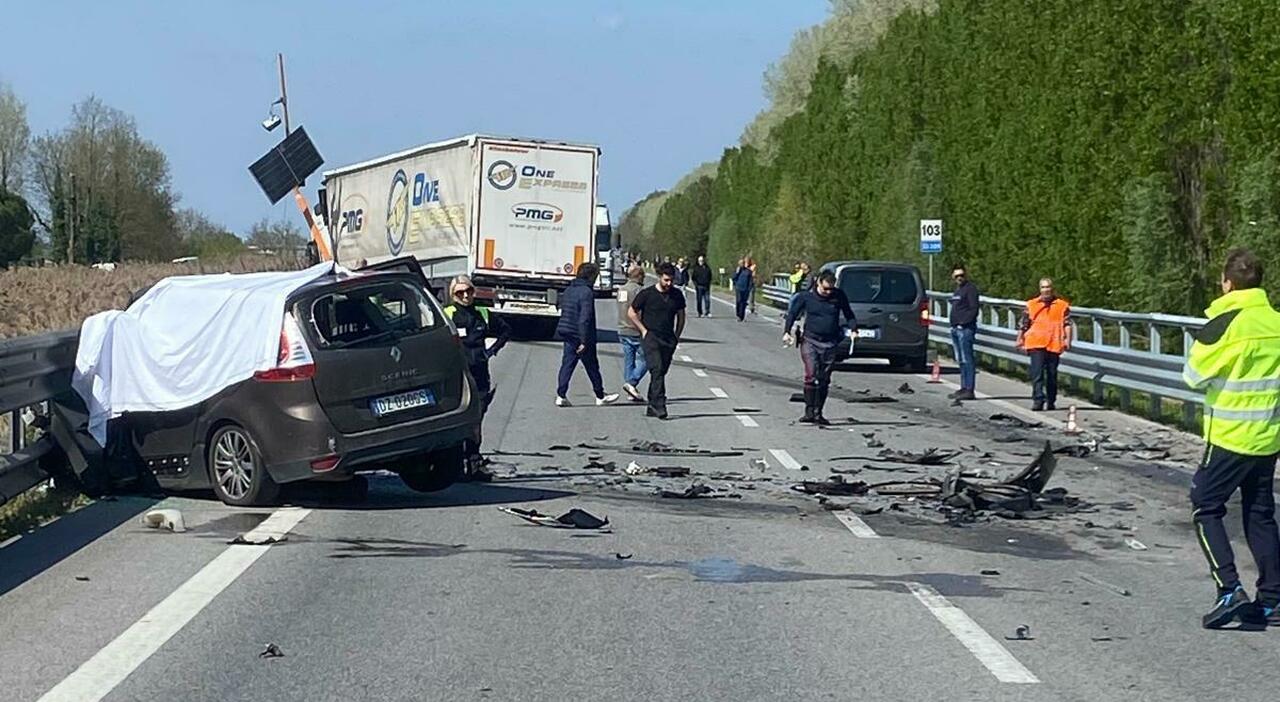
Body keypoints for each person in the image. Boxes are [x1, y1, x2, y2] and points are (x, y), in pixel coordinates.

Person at [1182, 248, 1280, 629]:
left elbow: (1193, 376)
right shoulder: (1275, 321)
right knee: (1260, 514)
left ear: (1227, 282)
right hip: (1268, 436)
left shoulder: (1223, 324)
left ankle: (1229, 589)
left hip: (1229, 437)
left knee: (1204, 506)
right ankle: (1271, 598)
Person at [443, 275, 511, 480]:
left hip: (480, 373)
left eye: (469, 291)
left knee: (476, 419)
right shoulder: (448, 314)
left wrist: (492, 351)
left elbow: (506, 330)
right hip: (458, 375)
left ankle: (474, 465)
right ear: (453, 295)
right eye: (460, 293)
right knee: (458, 419)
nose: (465, 296)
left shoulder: (482, 313)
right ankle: (455, 465)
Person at [784, 270, 857, 425]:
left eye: (831, 289)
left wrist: (854, 329)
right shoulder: (806, 297)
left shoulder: (839, 296)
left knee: (824, 378)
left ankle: (818, 413)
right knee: (811, 375)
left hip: (830, 342)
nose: (828, 292)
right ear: (818, 283)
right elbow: (792, 314)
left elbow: (849, 314)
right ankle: (809, 411)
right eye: (825, 289)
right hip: (810, 340)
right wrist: (787, 331)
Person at [555, 262, 620, 407]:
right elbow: (585, 317)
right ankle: (600, 395)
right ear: (591, 276)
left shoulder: (569, 290)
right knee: (592, 365)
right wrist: (584, 340)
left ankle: (561, 394)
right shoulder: (586, 292)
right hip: (581, 334)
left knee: (567, 364)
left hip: (566, 331)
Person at [628, 262, 687, 419]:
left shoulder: (677, 295)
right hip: (651, 337)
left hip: (668, 338)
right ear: (660, 277)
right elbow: (631, 312)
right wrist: (643, 330)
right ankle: (660, 406)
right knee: (657, 369)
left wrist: (677, 335)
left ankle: (651, 406)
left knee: (661, 372)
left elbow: (681, 316)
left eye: (671, 280)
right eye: (666, 280)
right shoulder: (647, 294)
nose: (669, 283)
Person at [1016, 278, 1073, 411]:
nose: (1046, 290)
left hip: (1054, 342)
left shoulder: (1062, 305)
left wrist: (1068, 340)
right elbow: (1023, 324)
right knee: (1037, 373)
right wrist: (1019, 339)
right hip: (1036, 342)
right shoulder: (1031, 304)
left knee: (1052, 374)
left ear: (1052, 289)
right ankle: (1038, 399)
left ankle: (1051, 400)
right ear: (1039, 289)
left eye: (1048, 287)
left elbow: (1067, 324)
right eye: (1043, 287)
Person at [617, 265, 649, 402]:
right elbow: (641, 311)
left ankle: (631, 390)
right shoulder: (639, 291)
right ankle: (632, 383)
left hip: (622, 327)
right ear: (639, 276)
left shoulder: (621, 290)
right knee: (646, 358)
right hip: (636, 328)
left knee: (628, 360)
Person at [948, 266, 980, 401]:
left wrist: (963, 323)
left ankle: (969, 389)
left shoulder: (970, 289)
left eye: (961, 275)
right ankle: (963, 387)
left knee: (967, 359)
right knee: (960, 360)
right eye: (956, 276)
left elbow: (974, 309)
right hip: (955, 328)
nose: (959, 278)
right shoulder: (958, 290)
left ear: (965, 275)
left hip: (965, 329)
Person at [731, 258, 754, 322]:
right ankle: (738, 314)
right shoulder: (737, 271)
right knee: (738, 301)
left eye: (743, 263)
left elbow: (751, 281)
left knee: (743, 303)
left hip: (745, 289)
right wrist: (737, 273)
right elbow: (733, 278)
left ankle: (741, 316)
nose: (742, 264)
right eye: (740, 263)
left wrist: (749, 288)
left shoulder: (748, 271)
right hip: (738, 289)